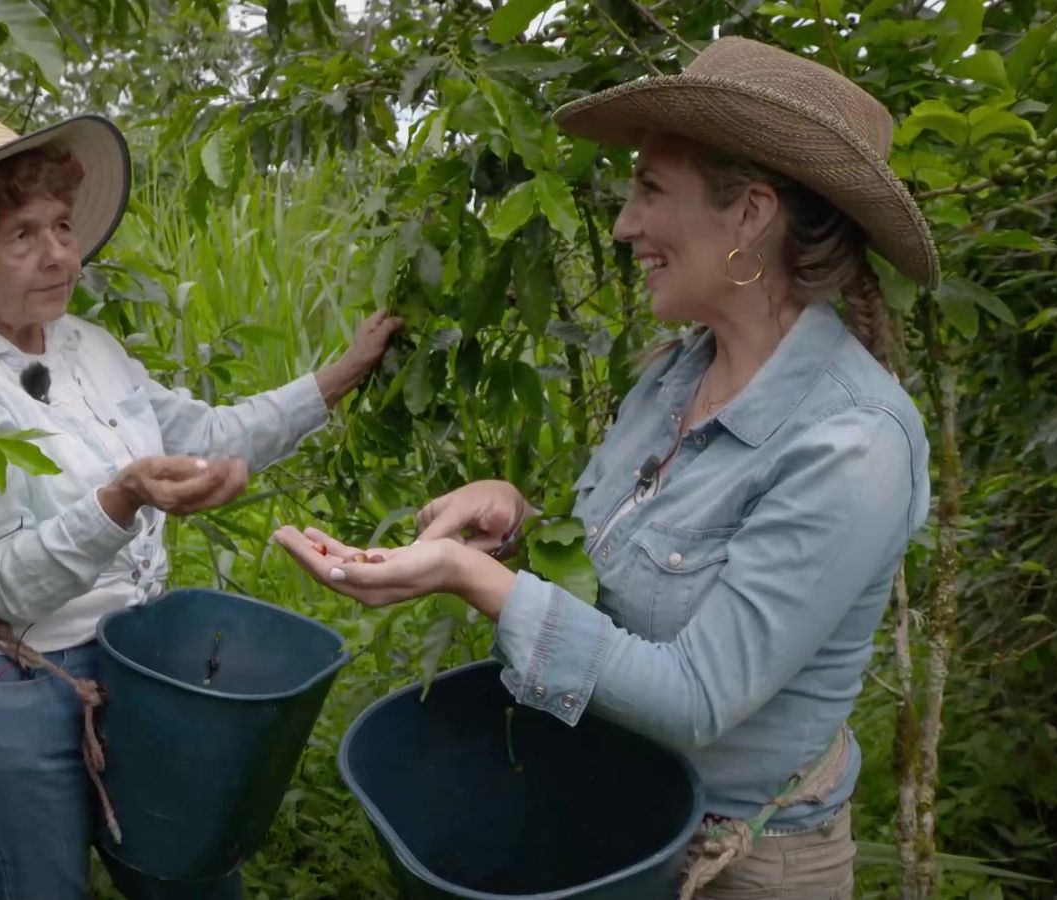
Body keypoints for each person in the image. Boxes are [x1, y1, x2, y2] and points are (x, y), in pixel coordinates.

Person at [274, 37, 934, 899]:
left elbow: (699, 693)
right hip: (618, 820)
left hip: (744, 863)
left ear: (751, 217)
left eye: (651, 189)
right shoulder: (678, 372)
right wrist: (517, 523)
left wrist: (475, 581)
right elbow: (640, 569)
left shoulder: (854, 443)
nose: (625, 224)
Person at [0, 104, 401, 899]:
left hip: (128, 662)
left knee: (190, 874)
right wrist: (120, 499)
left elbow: (208, 432)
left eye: (62, 227)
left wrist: (339, 376)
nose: (58, 257)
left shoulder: (88, 348)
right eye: (21, 236)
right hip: (0, 686)